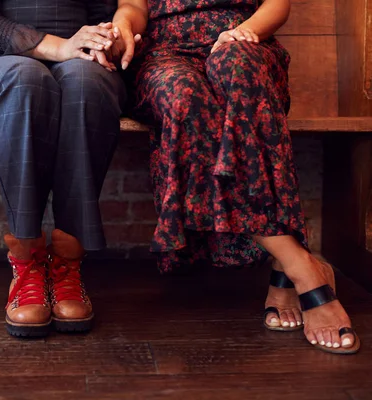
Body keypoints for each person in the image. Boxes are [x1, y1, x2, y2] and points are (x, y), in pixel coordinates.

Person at [101, 0, 360, 354]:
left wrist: (248, 30)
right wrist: (123, 28)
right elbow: (133, 6)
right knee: (183, 96)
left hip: (242, 41)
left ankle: (290, 264)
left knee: (238, 67)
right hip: (165, 55)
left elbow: (277, 5)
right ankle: (298, 263)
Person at [0, 0, 146, 337]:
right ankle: (27, 263)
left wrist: (107, 39)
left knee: (86, 85)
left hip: (82, 61)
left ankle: (67, 264)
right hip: (0, 63)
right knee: (25, 79)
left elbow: (109, 11)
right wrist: (59, 47)